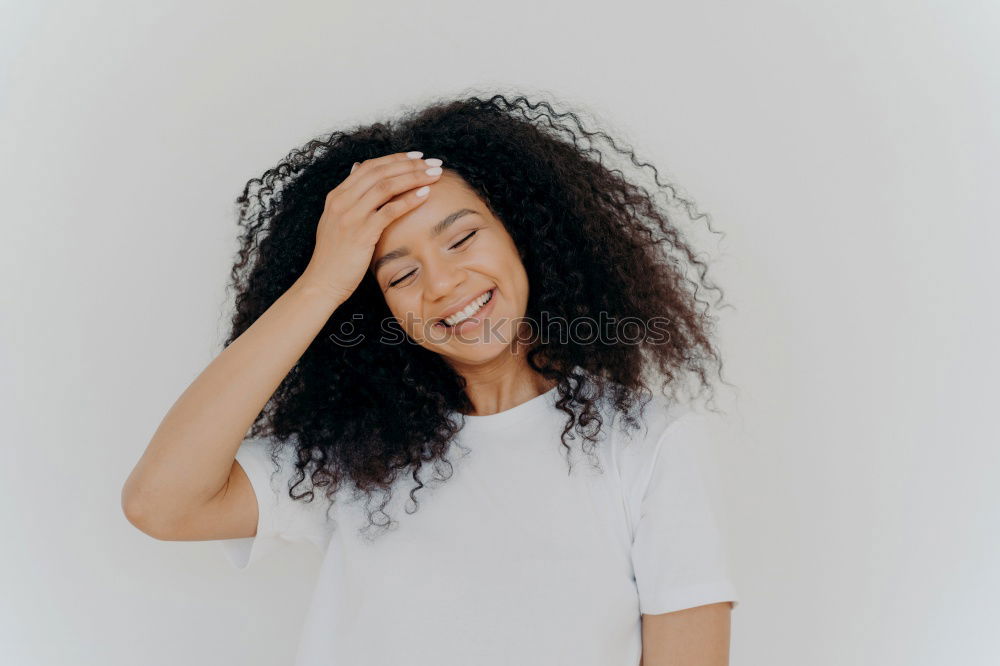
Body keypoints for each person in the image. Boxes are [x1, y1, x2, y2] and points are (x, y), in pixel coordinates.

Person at [122, 93, 740, 666]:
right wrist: (322, 281)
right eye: (399, 275)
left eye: (463, 237)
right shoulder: (355, 453)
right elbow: (160, 505)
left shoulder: (644, 443)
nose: (443, 285)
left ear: (523, 233)